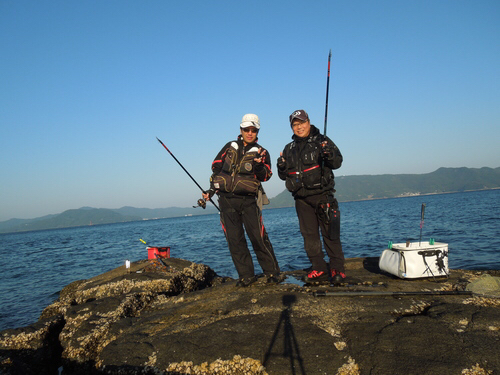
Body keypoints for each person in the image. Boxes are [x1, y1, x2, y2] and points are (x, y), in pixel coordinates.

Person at [203, 114, 280, 287]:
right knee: (234, 240)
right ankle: (246, 275)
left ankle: (273, 273)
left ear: (257, 131)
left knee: (258, 237)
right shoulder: (229, 146)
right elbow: (216, 168)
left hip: (249, 201)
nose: (250, 133)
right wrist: (211, 191)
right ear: (241, 130)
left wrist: (259, 165)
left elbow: (266, 176)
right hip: (226, 201)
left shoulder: (262, 151)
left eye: (253, 130)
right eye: (247, 129)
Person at [277, 109, 346, 284]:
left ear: (309, 122)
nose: (299, 127)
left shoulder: (322, 140)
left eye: (302, 123)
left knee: (331, 234)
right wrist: (281, 166)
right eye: (295, 124)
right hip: (301, 200)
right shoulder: (288, 148)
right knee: (309, 236)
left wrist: (328, 154)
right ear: (292, 127)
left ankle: (337, 269)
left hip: (323, 196)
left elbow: (337, 162)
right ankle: (319, 268)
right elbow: (283, 176)